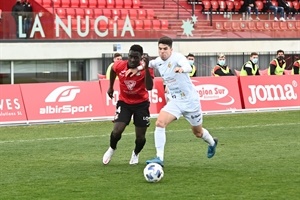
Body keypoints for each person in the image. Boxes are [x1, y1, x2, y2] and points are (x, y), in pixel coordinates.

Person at [144, 36, 218, 167]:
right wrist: (138, 65)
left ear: (171, 49)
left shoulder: (177, 58)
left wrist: (182, 69)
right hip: (176, 102)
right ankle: (159, 157)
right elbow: (147, 64)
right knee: (160, 123)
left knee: (198, 133)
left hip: (190, 102)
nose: (162, 51)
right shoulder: (158, 61)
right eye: (160, 49)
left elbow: (187, 66)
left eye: (165, 49)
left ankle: (212, 143)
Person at [102, 45, 154, 165]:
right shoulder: (120, 65)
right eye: (130, 56)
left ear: (141, 58)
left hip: (141, 105)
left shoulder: (147, 69)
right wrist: (110, 87)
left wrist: (145, 69)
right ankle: (112, 148)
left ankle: (135, 153)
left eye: (136, 57)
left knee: (140, 137)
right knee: (117, 131)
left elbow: (149, 87)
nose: (132, 60)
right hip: (124, 103)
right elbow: (113, 70)